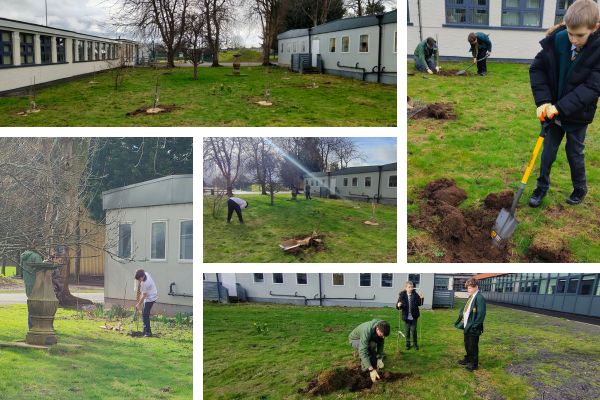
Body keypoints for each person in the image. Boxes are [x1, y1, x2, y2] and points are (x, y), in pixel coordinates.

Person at [528, 0, 600, 208]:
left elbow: (592, 87)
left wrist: (561, 107)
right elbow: (537, 69)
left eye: (580, 35)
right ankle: (541, 186)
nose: (574, 40)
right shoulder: (558, 40)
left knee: (574, 152)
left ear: (594, 28)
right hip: (552, 111)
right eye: (570, 33)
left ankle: (580, 187)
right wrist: (543, 101)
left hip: (578, 114)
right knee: (548, 150)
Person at [454, 278, 486, 372]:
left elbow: (481, 314)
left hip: (473, 327)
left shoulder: (479, 298)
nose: (468, 290)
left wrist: (475, 325)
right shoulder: (471, 296)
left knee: (473, 346)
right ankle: (467, 358)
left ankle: (473, 364)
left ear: (476, 286)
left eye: (470, 288)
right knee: (467, 343)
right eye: (467, 288)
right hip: (467, 325)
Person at [396, 281, 424, 350]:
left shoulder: (415, 294)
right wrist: (398, 305)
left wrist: (421, 298)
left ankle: (415, 344)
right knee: (407, 330)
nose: (411, 288)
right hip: (406, 316)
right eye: (409, 287)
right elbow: (398, 306)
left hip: (414, 315)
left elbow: (419, 304)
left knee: (414, 330)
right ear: (406, 288)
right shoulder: (402, 296)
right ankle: (408, 344)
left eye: (412, 287)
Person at [21, 249, 42, 331]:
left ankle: (31, 327)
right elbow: (40, 272)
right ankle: (36, 327)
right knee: (36, 307)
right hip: (36, 284)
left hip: (28, 284)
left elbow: (21, 273)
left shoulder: (23, 257)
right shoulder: (36, 257)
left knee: (31, 305)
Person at [135, 269, 158, 337]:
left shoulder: (144, 284)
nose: (139, 280)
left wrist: (138, 304)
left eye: (140, 279)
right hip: (152, 293)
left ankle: (148, 332)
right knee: (144, 313)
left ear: (143, 276)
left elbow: (144, 295)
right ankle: (145, 330)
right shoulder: (146, 274)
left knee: (145, 314)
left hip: (151, 297)